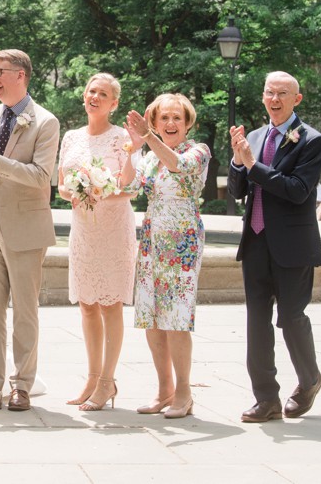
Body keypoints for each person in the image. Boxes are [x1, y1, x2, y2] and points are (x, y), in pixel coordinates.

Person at [0, 49, 60, 411]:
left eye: (0, 72)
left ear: (21, 75)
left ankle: (22, 385)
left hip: (27, 226)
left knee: (24, 309)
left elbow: (41, 178)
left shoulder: (46, 122)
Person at [228, 71, 321, 423]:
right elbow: (239, 190)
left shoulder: (311, 140)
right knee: (256, 320)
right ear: (263, 96)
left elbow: (298, 190)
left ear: (296, 99)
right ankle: (266, 398)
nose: (275, 99)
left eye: (283, 93)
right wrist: (239, 161)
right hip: (254, 241)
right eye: (270, 92)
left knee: (290, 318)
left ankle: (309, 379)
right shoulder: (253, 136)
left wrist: (253, 165)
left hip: (292, 245)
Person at [121, 93, 211, 419]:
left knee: (176, 317)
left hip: (182, 241)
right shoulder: (149, 157)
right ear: (155, 122)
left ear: (187, 123)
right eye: (164, 118)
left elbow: (178, 165)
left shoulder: (197, 151)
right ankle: (164, 390)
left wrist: (147, 138)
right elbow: (129, 187)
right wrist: (133, 148)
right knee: (152, 317)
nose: (170, 123)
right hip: (151, 239)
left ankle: (184, 394)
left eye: (177, 118)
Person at [56, 73, 137, 411]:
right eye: (91, 91)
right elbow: (60, 186)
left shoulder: (122, 138)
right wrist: (76, 191)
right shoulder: (71, 137)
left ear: (113, 103)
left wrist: (102, 189)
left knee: (110, 303)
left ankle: (108, 380)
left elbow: (131, 187)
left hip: (114, 228)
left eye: (102, 94)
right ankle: (92, 376)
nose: (94, 97)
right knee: (87, 304)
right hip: (84, 230)